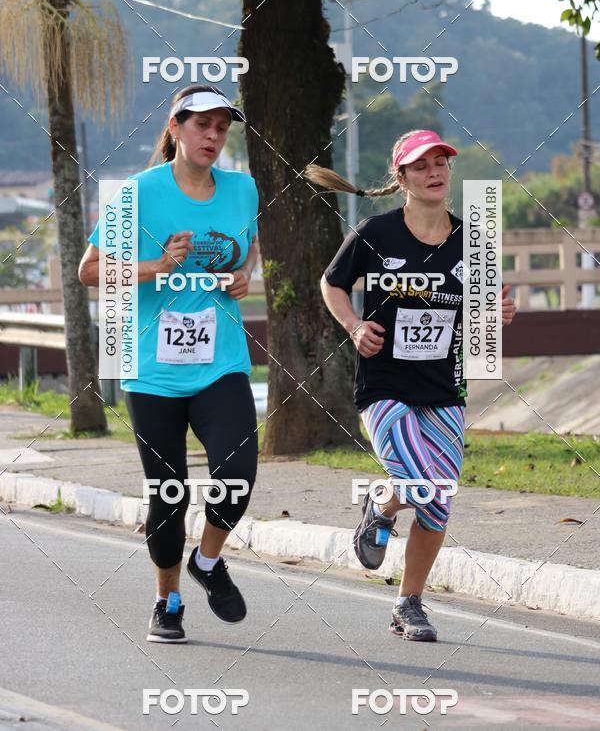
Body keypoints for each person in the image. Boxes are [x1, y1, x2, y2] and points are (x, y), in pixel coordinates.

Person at [306, 129, 516, 642]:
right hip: (384, 387)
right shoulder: (375, 233)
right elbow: (331, 283)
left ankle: (409, 603)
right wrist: (355, 325)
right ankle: (380, 506)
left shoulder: (474, 242)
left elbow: (487, 308)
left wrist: (500, 312)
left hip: (444, 388)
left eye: (441, 162)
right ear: (401, 178)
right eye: (422, 165)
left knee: (438, 501)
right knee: (426, 484)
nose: (435, 172)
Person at [79, 84, 259, 644]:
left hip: (221, 361)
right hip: (152, 367)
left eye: (222, 128)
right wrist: (156, 265)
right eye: (202, 125)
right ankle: (168, 599)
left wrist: (243, 275)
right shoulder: (139, 193)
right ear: (176, 127)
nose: (213, 137)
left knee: (237, 473)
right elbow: (90, 270)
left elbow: (247, 246)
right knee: (169, 490)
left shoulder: (242, 188)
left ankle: (206, 561)